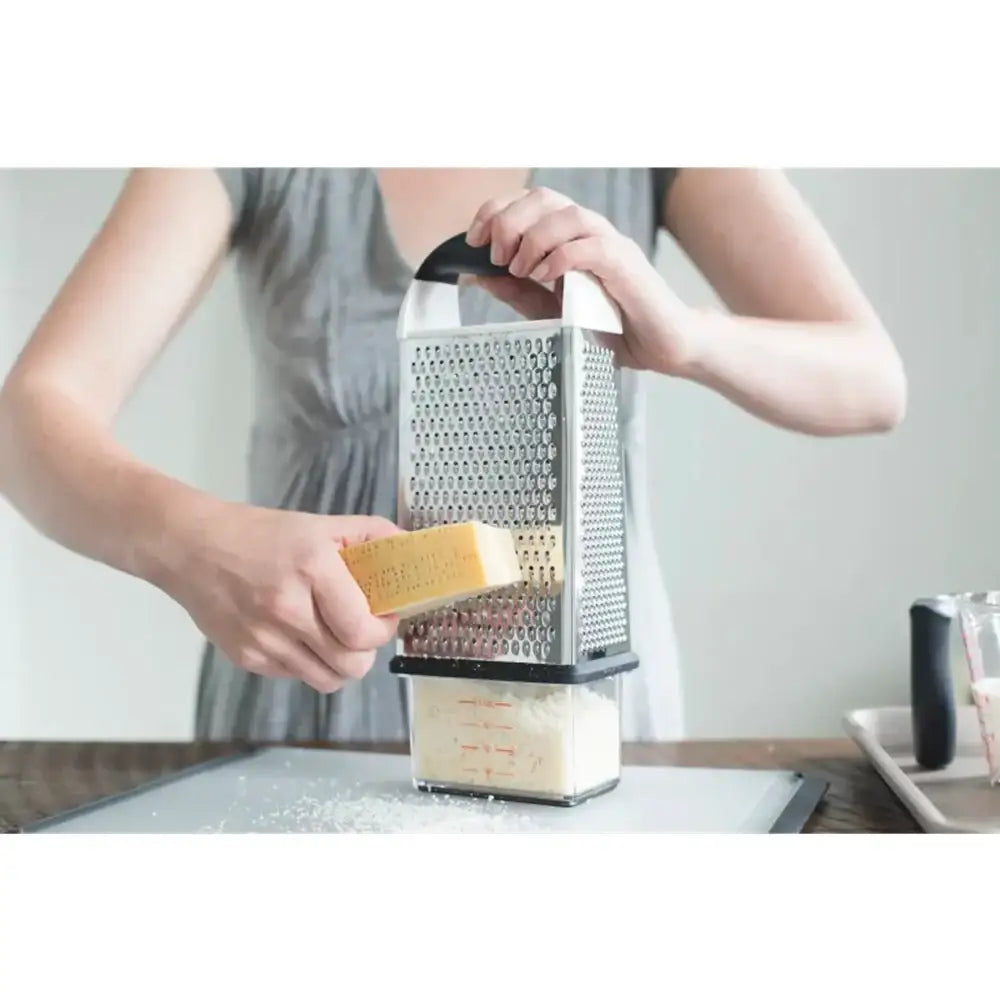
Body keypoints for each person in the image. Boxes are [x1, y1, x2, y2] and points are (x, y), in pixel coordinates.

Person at [0, 168, 906, 743]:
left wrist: (686, 338)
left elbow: (872, 381)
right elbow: (33, 414)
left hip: (581, 706)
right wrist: (193, 542)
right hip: (320, 685)